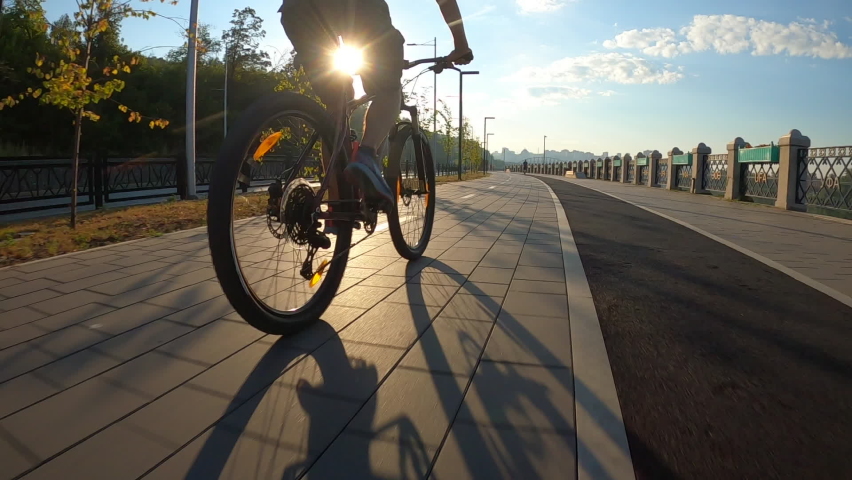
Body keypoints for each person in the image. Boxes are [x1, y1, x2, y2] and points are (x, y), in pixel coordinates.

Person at [278, 0, 473, 207]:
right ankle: (366, 158)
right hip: (358, 8)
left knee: (337, 108)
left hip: (297, 10)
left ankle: (337, 204)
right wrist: (461, 45)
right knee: (389, 89)